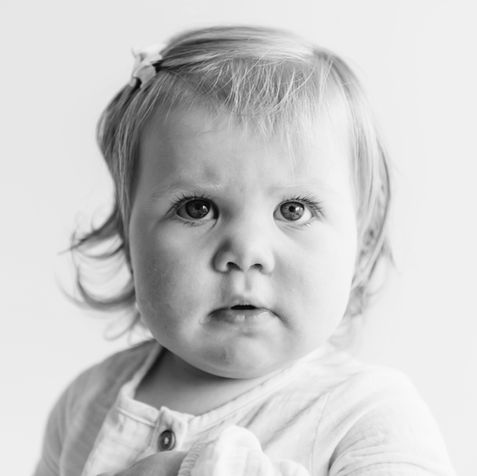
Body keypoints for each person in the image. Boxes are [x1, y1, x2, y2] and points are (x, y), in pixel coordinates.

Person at [34, 25, 456, 476]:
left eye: (293, 210)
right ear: (127, 236)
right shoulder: (84, 402)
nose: (247, 252)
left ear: (363, 241)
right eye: (197, 208)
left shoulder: (369, 418)